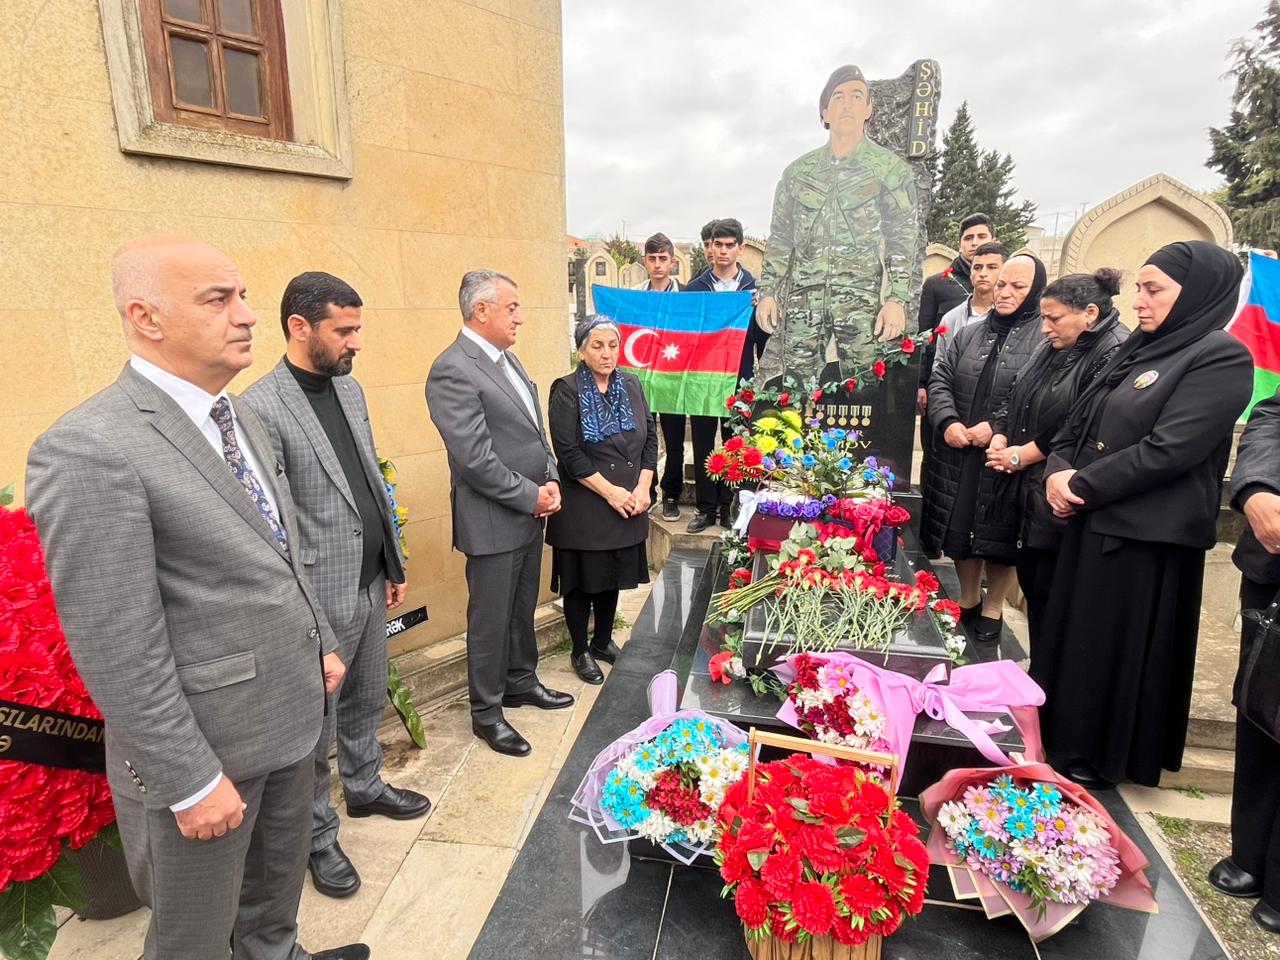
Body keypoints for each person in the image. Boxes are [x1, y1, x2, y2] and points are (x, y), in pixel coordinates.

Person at [25, 236, 366, 960]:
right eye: (218, 300)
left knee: (272, 914)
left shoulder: (238, 417)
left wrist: (322, 640)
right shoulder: (89, 447)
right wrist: (188, 779)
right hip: (209, 754)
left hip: (291, 721)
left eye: (241, 295)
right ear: (146, 317)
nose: (246, 315)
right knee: (194, 941)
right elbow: (117, 641)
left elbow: (279, 545)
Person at [1039, 240, 1254, 790]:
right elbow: (1077, 423)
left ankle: (1098, 755)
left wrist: (1079, 484)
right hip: (1091, 519)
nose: (1139, 300)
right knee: (1077, 643)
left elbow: (1170, 449)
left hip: (1143, 539)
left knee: (1114, 653)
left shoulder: (1219, 357)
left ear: (1197, 294)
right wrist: (1056, 471)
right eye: (1140, 287)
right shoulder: (1135, 349)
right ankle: (1062, 739)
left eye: (1154, 289)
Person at [243, 272, 430, 901]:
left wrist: (394, 564)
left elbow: (370, 483)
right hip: (315, 599)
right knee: (314, 725)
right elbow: (275, 527)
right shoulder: (258, 408)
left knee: (365, 697)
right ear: (300, 328)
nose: (356, 343)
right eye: (344, 331)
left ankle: (366, 786)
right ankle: (318, 839)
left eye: (358, 329)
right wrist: (309, 619)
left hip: (370, 583)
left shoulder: (349, 392)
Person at [426, 269, 575, 758]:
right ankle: (487, 713)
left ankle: (519, 680)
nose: (521, 317)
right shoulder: (453, 368)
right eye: (512, 307)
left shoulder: (507, 361)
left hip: (531, 512)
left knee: (520, 608)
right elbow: (475, 459)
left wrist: (551, 477)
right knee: (490, 619)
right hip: (494, 518)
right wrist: (530, 495)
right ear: (481, 310)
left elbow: (534, 434)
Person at [983, 269, 1127, 644]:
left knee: (1058, 606)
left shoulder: (1113, 352)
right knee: (1036, 592)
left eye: (1054, 317)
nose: (1045, 327)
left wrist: (1024, 455)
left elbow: (1078, 419)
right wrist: (1001, 432)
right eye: (1044, 317)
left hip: (1061, 493)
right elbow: (1018, 392)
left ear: (1090, 313)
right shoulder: (1055, 344)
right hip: (1029, 493)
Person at [756, 64, 918, 380]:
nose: (847, 104)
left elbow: (902, 237)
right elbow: (779, 239)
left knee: (864, 388)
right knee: (797, 390)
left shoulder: (889, 170)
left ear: (868, 109)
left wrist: (896, 299)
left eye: (857, 96)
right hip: (805, 300)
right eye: (838, 97)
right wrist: (768, 292)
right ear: (825, 113)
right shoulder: (797, 173)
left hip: (860, 302)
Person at [923, 253, 1047, 642]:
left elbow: (1039, 394)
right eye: (1002, 285)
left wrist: (995, 427)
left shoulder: (1044, 339)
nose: (1005, 292)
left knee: (1000, 536)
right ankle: (970, 598)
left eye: (1017, 286)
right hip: (961, 451)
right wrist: (948, 421)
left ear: (1036, 291)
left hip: (1004, 454)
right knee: (961, 531)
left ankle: (993, 610)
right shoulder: (970, 332)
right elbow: (940, 376)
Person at [546, 316, 657, 683]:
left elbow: (651, 440)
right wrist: (611, 493)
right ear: (581, 349)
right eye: (597, 345)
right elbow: (569, 453)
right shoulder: (566, 390)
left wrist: (643, 488)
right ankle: (580, 650)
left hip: (629, 500)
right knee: (582, 582)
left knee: (612, 578)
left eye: (612, 345)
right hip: (586, 502)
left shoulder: (632, 383)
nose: (607, 353)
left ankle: (603, 641)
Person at [1208, 378, 1280, 935]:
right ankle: (1251, 853)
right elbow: (1269, 420)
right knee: (1261, 707)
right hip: (1273, 562)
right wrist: (1256, 489)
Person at [917, 241, 1007, 556]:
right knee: (954, 511)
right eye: (978, 267)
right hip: (956, 422)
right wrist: (948, 419)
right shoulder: (955, 319)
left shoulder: (1029, 326)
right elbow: (941, 368)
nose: (983, 274)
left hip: (997, 433)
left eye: (992, 267)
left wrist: (996, 425)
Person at [682, 217, 759, 533]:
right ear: (709, 248)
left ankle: (731, 508)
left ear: (740, 248)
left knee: (734, 444)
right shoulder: (693, 290)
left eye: (730, 245)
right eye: (718, 245)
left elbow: (764, 339)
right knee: (702, 443)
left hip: (739, 380)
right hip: (702, 378)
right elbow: (681, 335)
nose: (724, 251)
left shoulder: (753, 291)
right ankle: (705, 508)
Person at [917, 213, 997, 416]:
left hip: (988, 386)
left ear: (993, 240)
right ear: (959, 244)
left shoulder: (1005, 287)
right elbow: (924, 335)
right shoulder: (937, 284)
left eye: (981, 236)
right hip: (942, 383)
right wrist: (921, 383)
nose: (975, 243)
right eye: (968, 238)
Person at [633, 232, 686, 521]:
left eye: (662, 259)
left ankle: (672, 495)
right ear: (645, 261)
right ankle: (648, 490)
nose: (657, 264)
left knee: (675, 440)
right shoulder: (634, 298)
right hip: (642, 381)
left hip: (675, 380)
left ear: (672, 262)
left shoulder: (687, 297)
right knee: (643, 439)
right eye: (652, 259)